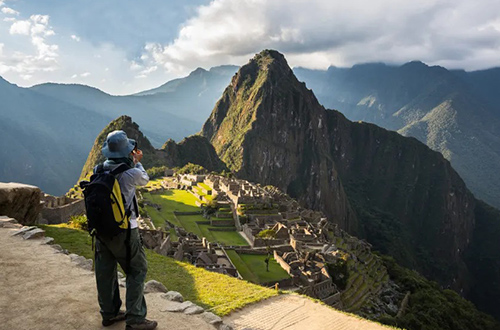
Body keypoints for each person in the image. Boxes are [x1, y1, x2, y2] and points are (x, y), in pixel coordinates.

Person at [94, 130, 157, 330]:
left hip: (100, 230)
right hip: (125, 231)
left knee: (105, 271)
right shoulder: (132, 173)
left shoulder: (98, 170)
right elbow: (145, 179)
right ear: (128, 151)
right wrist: (137, 161)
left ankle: (109, 313)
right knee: (137, 270)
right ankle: (136, 319)